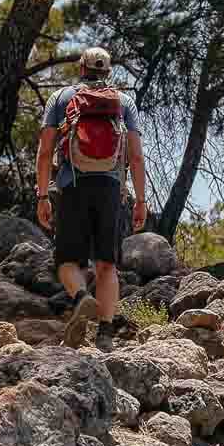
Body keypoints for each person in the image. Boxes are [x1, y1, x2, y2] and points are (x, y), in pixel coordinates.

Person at [35, 47, 147, 351]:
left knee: (67, 262)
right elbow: (135, 157)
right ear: (108, 72)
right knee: (107, 264)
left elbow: (45, 152)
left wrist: (43, 195)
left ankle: (83, 299)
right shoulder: (124, 103)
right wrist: (141, 201)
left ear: (81, 68)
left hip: (72, 186)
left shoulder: (60, 98)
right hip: (110, 189)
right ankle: (107, 333)